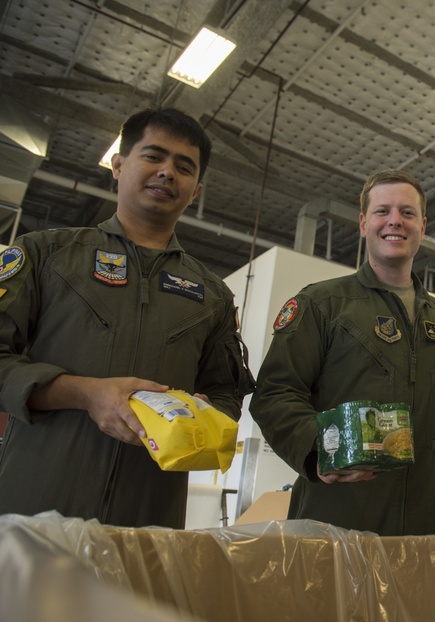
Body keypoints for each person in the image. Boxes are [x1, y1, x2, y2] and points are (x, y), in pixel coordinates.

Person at [0, 107, 255, 529]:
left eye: (183, 166)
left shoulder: (212, 296)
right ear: (118, 166)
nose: (167, 172)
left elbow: (225, 396)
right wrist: (84, 393)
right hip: (32, 514)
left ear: (195, 191)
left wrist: (205, 415)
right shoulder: (46, 256)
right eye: (153, 156)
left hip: (148, 526)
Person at [249, 169, 435, 535]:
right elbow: (275, 394)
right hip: (333, 517)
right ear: (363, 223)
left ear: (422, 226)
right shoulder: (322, 304)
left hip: (422, 524)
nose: (395, 221)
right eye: (382, 211)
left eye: (407, 213)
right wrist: (321, 449)